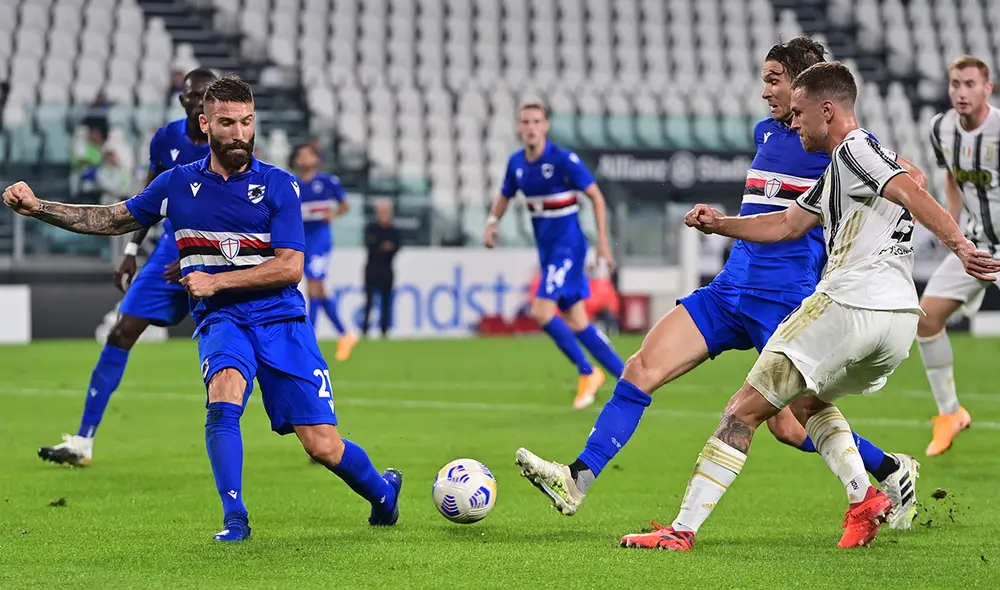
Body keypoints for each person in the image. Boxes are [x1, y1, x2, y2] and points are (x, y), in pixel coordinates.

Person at [514, 38, 919, 530]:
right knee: (641, 367)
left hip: (785, 303)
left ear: (803, 85)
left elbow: (907, 176)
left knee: (790, 426)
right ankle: (576, 480)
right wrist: (721, 221)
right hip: (729, 291)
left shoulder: (836, 142)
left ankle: (890, 470)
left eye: (773, 80)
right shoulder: (766, 134)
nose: (765, 91)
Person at [618, 61, 999, 551]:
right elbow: (785, 225)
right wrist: (720, 224)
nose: (791, 122)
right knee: (809, 403)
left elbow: (910, 188)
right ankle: (866, 495)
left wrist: (960, 245)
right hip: (897, 323)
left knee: (741, 412)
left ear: (827, 109)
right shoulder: (841, 166)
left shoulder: (857, 149)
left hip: (849, 305)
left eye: (798, 113)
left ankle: (681, 530)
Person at [5, 75, 403, 542]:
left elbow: (290, 269)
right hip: (223, 319)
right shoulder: (177, 183)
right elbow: (111, 218)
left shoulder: (279, 185)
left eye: (247, 122)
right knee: (224, 397)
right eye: (228, 123)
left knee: (321, 446)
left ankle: (383, 495)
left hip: (281, 320)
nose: (239, 133)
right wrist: (37, 207)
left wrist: (216, 280)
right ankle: (235, 520)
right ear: (205, 124)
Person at [38, 68, 217, 467]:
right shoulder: (166, 138)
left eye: (207, 95)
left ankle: (309, 426)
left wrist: (199, 257)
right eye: (193, 95)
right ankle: (83, 442)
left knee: (242, 345)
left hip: (215, 256)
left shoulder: (226, 143)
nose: (199, 101)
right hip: (171, 248)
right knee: (121, 332)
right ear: (183, 100)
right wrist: (132, 250)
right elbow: (148, 197)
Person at [484, 102, 625, 410]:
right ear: (519, 127)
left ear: (546, 125)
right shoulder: (516, 164)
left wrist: (603, 243)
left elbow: (597, 198)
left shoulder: (563, 160)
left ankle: (588, 372)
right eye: (525, 122)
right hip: (548, 251)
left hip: (569, 248)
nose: (531, 127)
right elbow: (504, 196)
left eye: (536, 121)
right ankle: (627, 379)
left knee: (541, 312)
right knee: (577, 320)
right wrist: (492, 223)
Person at [918, 55, 999, 456]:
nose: (961, 92)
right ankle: (950, 413)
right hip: (975, 246)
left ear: (988, 88)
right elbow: (950, 173)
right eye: (955, 84)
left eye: (970, 84)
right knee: (926, 317)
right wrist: (954, 225)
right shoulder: (940, 128)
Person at [290, 142, 358, 360]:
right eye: (300, 155)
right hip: (302, 239)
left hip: (320, 239)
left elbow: (345, 204)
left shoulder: (326, 181)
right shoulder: (292, 183)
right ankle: (345, 334)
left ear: (316, 159)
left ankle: (309, 338)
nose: (304, 159)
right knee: (318, 290)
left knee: (313, 286)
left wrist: (334, 215)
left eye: (308, 155)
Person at [362, 199, 401, 337]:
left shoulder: (394, 230)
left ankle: (384, 330)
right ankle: (365, 329)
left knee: (386, 302)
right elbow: (371, 247)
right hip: (372, 270)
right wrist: (383, 247)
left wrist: (383, 248)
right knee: (369, 301)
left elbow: (396, 247)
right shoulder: (371, 229)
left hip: (386, 270)